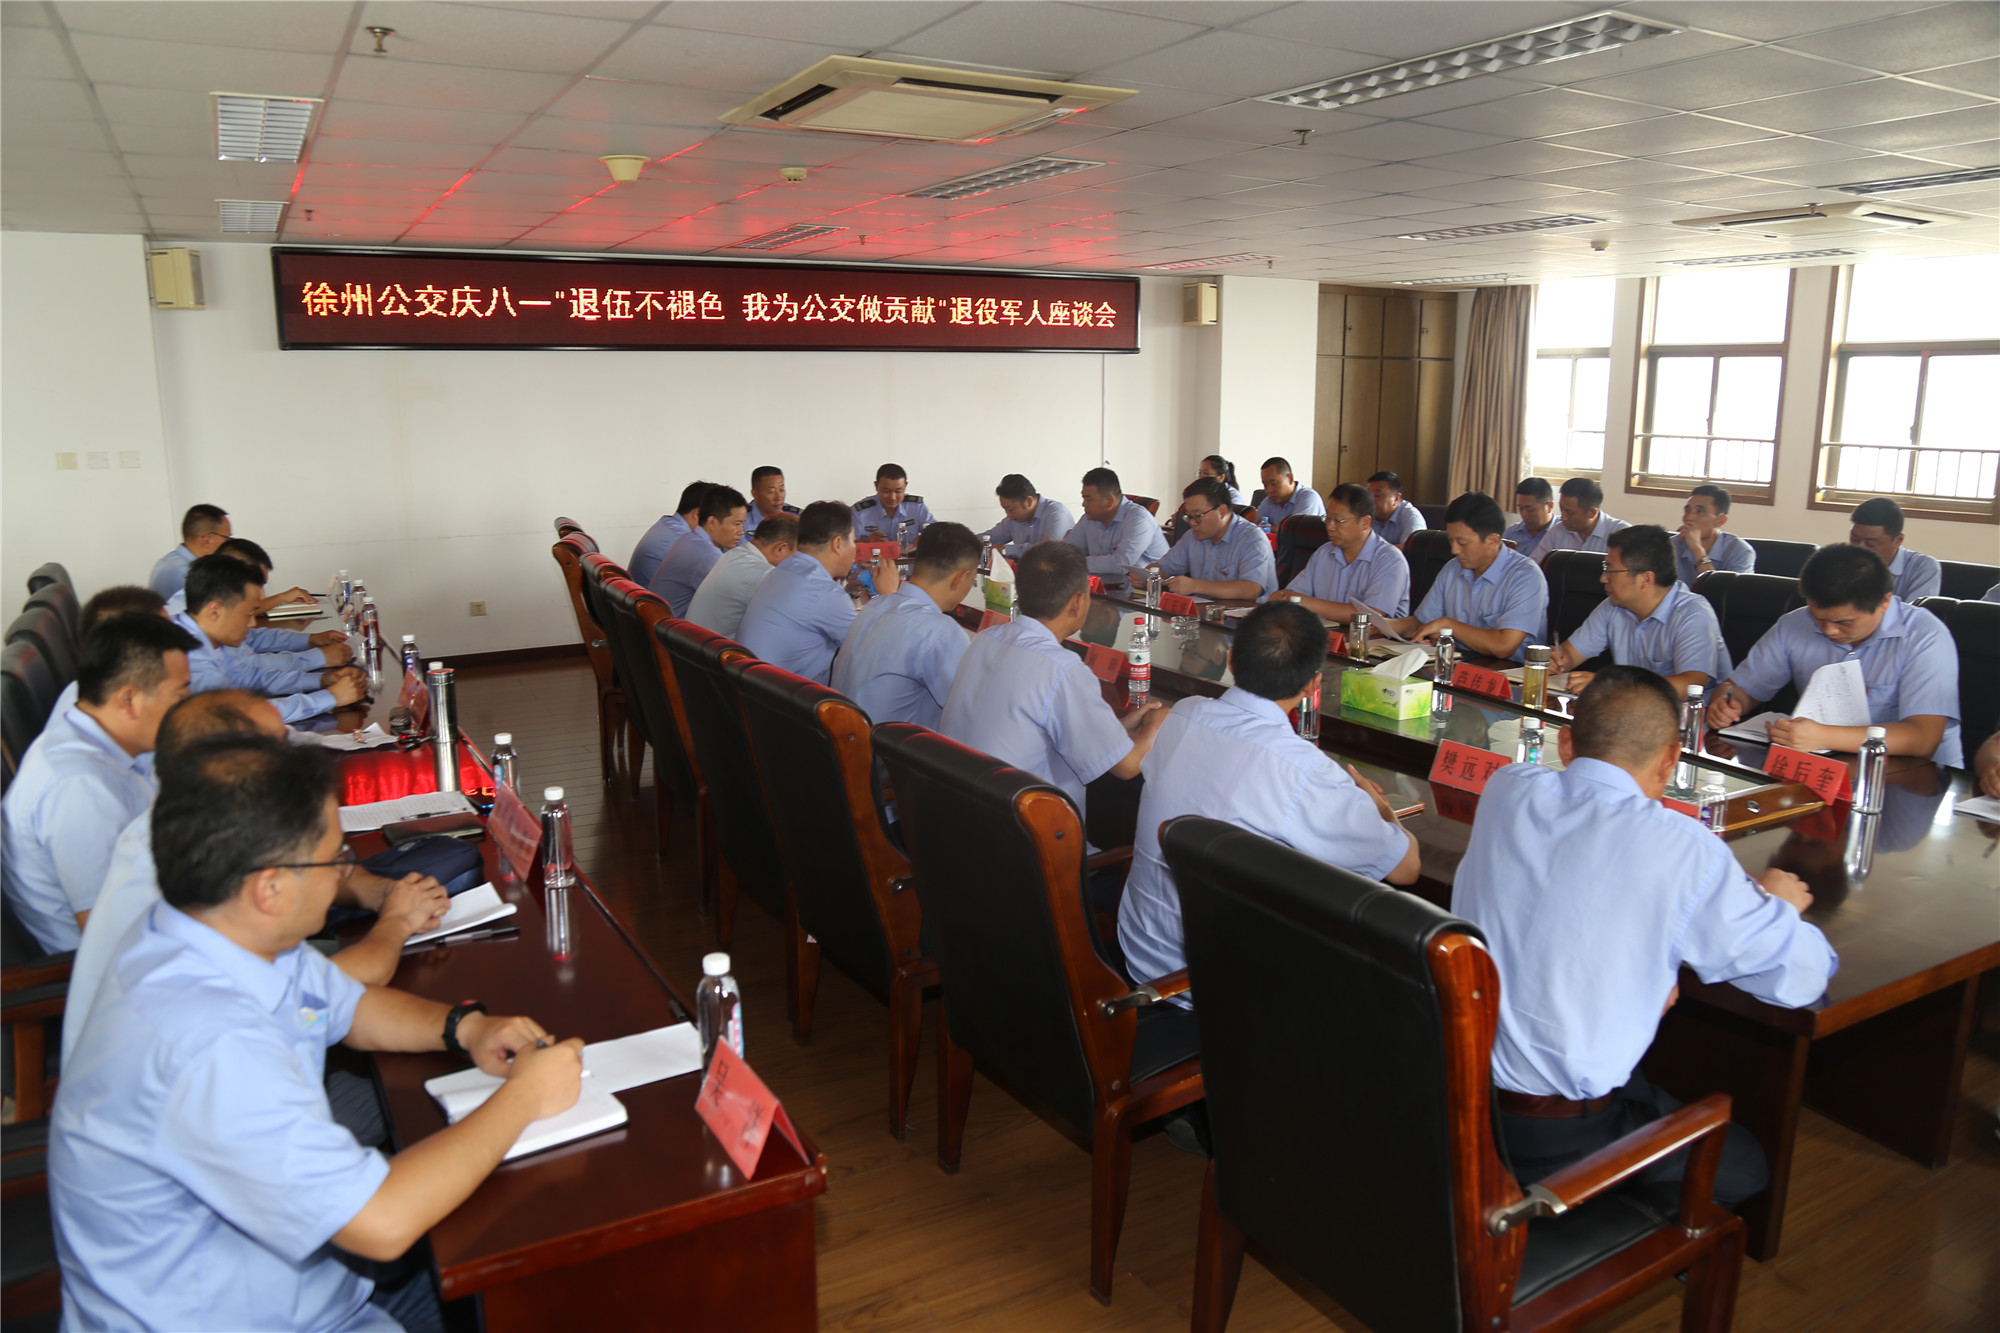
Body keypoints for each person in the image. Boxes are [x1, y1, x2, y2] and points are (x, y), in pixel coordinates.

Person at [50, 737, 583, 1333]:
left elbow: (345, 1004)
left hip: (304, 1280)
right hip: (261, 1317)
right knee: (551, 1282)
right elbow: (381, 1221)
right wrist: (524, 1097)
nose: (343, 875)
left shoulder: (199, 929)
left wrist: (465, 1028)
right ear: (269, 888)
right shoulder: (207, 1044)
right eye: (333, 860)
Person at [1453, 667, 1836, 1208]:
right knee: (1746, 1164)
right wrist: (1777, 907)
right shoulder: (1683, 848)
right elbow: (1800, 978)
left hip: (1460, 1087)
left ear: (1566, 742)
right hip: (1549, 1138)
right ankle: (1588, 1222)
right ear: (1671, 758)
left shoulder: (1508, 787)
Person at [60, 691, 449, 1065]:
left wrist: (385, 893)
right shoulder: (180, 861)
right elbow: (328, 989)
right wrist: (396, 923)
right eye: (277, 748)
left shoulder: (197, 821)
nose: (292, 755)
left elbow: (318, 977)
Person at [1118, 601, 1419, 998]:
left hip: (1138, 951)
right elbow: (1406, 869)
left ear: (1230, 660)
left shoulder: (1184, 714)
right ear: (1313, 684)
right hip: (1221, 988)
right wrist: (1380, 807)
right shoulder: (1305, 772)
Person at [2, 614, 195, 953]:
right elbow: (114, 935)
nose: (187, 709)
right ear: (128, 700)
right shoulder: (79, 786)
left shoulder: (91, 741)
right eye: (179, 696)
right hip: (126, 963)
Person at [940, 541, 1169, 826]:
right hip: (1028, 836)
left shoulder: (988, 638)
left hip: (962, 820)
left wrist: (1116, 730)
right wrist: (1156, 725)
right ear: (1078, 602)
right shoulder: (1063, 669)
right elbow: (1126, 766)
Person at [1708, 544, 1961, 766]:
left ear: (1884, 602)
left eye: (1844, 622)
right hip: (1826, 764)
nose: (1829, 630)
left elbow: (1923, 738)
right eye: (1819, 619)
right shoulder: (1794, 625)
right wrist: (1728, 702)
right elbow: (1741, 687)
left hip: (1918, 777)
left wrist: (1824, 736)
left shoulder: (1925, 637)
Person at [175, 555, 365, 722]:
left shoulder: (210, 639)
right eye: (248, 614)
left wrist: (322, 680)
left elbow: (250, 677)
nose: (252, 624)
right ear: (215, 611)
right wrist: (329, 697)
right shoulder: (188, 658)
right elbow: (241, 716)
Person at [831, 523, 980, 728]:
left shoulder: (875, 606)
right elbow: (971, 713)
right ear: (960, 578)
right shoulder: (940, 632)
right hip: (888, 745)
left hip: (845, 735)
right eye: (972, 579)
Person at [1553, 525, 1730, 697]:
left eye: (1610, 570)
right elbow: (1570, 654)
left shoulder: (1692, 615)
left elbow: (1691, 684)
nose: (1603, 578)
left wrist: (1613, 685)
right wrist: (1557, 660)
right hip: (1634, 709)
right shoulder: (1613, 606)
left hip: (1691, 714)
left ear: (1645, 579)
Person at [740, 501, 899, 684]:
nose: (855, 550)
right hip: (787, 697)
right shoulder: (824, 592)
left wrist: (852, 592)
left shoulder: (786, 569)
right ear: (837, 544)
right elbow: (879, 651)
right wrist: (889, 596)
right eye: (852, 541)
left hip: (755, 688)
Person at [1386, 491, 1548, 662]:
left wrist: (1448, 625)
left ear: (1493, 540)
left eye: (1462, 543)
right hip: (1458, 665)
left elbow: (1504, 646)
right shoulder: (1453, 568)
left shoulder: (1525, 576)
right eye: (1451, 541)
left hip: (1509, 672)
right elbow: (1422, 622)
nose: (1454, 550)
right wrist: (1383, 625)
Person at [168, 537, 353, 667]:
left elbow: (254, 639)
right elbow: (251, 668)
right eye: (259, 584)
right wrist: (317, 659)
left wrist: (311, 640)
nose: (262, 594)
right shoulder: (197, 620)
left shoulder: (211, 609)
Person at [1267, 481, 1410, 619]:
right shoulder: (1324, 553)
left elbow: (1371, 616)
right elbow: (1294, 593)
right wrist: (1283, 597)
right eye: (1328, 518)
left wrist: (1304, 602)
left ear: (1365, 523)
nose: (1330, 527)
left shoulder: (1390, 560)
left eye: (1338, 520)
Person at [1156, 477, 1277, 599]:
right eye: (1189, 516)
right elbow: (1165, 568)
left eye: (1197, 516)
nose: (1192, 523)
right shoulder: (1192, 536)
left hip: (1248, 610)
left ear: (1222, 511)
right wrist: (1149, 575)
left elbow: (1252, 589)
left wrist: (1195, 586)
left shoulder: (1252, 539)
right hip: (1205, 609)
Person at [687, 513, 797, 638]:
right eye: (797, 556)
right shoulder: (762, 574)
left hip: (695, 642)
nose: (796, 563)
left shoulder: (734, 554)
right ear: (780, 548)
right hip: (713, 647)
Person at [647, 484, 748, 614]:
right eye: (737, 524)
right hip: (673, 624)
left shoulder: (689, 539)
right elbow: (738, 599)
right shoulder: (708, 555)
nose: (741, 531)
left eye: (743, 524)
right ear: (712, 522)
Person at [1066, 466, 1170, 576]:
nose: (1084, 504)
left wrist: (1075, 562)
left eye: (1088, 499)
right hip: (1109, 583)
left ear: (1109, 501)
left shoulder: (1139, 519)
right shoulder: (1088, 519)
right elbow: (1066, 551)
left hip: (1148, 585)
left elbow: (1121, 565)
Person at [1848, 496, 1940, 602]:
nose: (1860, 547)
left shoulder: (1923, 567)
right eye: (1854, 539)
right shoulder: (1840, 564)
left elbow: (1913, 611)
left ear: (1898, 540)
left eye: (1870, 543)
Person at [628, 480, 715, 587]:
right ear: (697, 514)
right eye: (715, 519)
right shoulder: (682, 539)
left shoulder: (667, 525)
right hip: (652, 597)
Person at [1674, 484, 1755, 587]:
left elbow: (1723, 593)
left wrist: (1698, 549)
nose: (1689, 517)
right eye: (1687, 510)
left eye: (1700, 511)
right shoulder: (1671, 545)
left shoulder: (1741, 552)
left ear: (1720, 521)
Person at [978, 473, 1074, 558]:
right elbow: (990, 537)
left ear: (1029, 501)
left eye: (1011, 509)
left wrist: (1004, 550)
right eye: (1005, 509)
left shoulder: (1056, 514)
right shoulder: (1013, 519)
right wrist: (970, 542)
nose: (1008, 514)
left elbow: (1049, 551)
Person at [147, 503, 231, 598]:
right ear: (207, 540)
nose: (229, 545)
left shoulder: (167, 561)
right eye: (227, 538)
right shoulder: (187, 576)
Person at [1539, 476, 1630, 557]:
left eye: (1570, 513)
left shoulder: (1621, 534)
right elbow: (1536, 565)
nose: (1563, 517)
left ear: (1592, 512)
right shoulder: (1557, 531)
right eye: (1561, 509)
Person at [852, 463, 935, 544]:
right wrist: (866, 541)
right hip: (874, 553)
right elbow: (846, 545)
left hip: (910, 553)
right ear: (876, 486)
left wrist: (923, 539)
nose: (892, 497)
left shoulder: (916, 507)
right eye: (886, 491)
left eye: (898, 491)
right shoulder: (859, 512)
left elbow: (936, 533)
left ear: (905, 486)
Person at [1254, 457, 1325, 529]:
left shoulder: (1309, 497)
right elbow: (1256, 527)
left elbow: (1295, 531)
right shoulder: (1269, 501)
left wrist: (1268, 527)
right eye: (1265, 485)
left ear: (1290, 478)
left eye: (1274, 483)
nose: (1269, 490)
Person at [741, 464, 801, 545]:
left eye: (781, 490)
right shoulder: (741, 520)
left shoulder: (796, 517)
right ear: (755, 494)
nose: (779, 497)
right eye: (771, 492)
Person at [1503, 477, 1557, 562]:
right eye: (1521, 508)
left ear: (1550, 506)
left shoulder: (1563, 533)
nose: (1524, 515)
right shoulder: (1511, 534)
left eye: (1530, 510)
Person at [1366, 471, 1424, 547]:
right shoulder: (1365, 514)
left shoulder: (1411, 516)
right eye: (1368, 495)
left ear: (1396, 499)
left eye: (1377, 495)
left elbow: (1410, 550)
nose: (1371, 500)